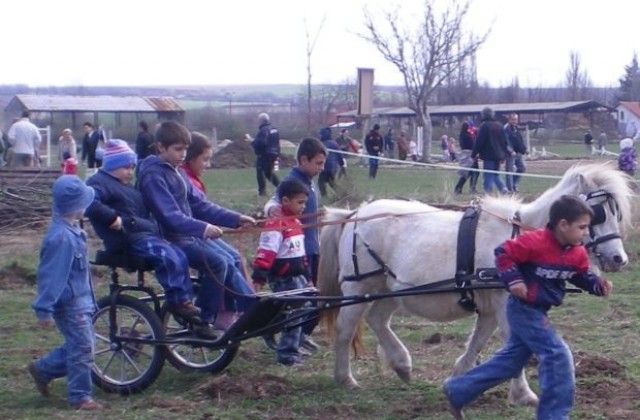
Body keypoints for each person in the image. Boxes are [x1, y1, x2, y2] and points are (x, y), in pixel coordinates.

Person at [443, 195, 613, 420]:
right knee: (557, 355)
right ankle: (553, 415)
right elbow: (503, 253)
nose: (586, 233)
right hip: (523, 309)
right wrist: (514, 280)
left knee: (510, 361)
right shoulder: (534, 242)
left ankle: (458, 390)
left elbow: (580, 275)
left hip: (539, 309)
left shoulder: (576, 251)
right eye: (582, 227)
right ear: (563, 225)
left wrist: (597, 285)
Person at [137, 121, 256, 331]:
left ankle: (252, 308)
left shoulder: (177, 171)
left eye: (185, 149)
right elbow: (170, 216)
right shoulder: (153, 175)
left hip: (188, 235)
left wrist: (236, 218)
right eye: (177, 149)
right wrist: (203, 228)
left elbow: (200, 205)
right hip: (169, 239)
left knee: (230, 258)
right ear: (160, 148)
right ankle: (203, 319)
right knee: (218, 262)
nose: (183, 154)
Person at [85, 139, 207, 334]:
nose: (130, 172)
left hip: (143, 235)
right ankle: (179, 302)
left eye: (132, 167)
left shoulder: (127, 186)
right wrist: (111, 218)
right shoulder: (98, 183)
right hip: (126, 239)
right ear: (112, 166)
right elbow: (89, 201)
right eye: (126, 167)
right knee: (167, 256)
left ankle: (183, 300)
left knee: (179, 255)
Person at [28, 175, 103, 410]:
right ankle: (80, 397)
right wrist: (44, 309)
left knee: (80, 346)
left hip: (81, 302)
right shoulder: (61, 239)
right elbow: (52, 276)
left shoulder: (71, 231)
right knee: (83, 348)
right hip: (70, 305)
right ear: (75, 206)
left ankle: (42, 369)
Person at [264, 137, 327, 352]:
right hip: (297, 252)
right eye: (318, 163)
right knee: (310, 298)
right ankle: (283, 333)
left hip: (310, 246)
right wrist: (271, 209)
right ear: (303, 160)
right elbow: (275, 200)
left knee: (316, 297)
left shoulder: (310, 181)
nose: (322, 168)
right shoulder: (292, 181)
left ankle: (301, 334)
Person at [181, 131, 252, 304]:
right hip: (192, 234)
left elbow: (204, 209)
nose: (208, 165)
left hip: (197, 232)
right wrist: (230, 221)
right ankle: (238, 308)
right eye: (205, 160)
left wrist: (236, 219)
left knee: (235, 257)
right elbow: (200, 211)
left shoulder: (190, 179)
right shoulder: (186, 180)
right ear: (190, 159)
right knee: (224, 261)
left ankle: (239, 306)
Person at [252, 178, 311, 366]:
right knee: (295, 313)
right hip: (282, 277)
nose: (303, 207)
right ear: (285, 201)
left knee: (308, 307)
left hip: (297, 276)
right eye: (300, 202)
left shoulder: (295, 222)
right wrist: (259, 278)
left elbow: (301, 253)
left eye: (305, 203)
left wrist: (308, 276)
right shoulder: (276, 225)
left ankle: (273, 330)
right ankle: (287, 355)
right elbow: (266, 253)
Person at [472, 107, 510, 194]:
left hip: (488, 155)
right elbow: (504, 141)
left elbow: (479, 141)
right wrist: (504, 154)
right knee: (495, 174)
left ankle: (487, 193)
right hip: (499, 155)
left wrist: (474, 154)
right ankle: (504, 189)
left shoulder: (484, 126)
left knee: (488, 175)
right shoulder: (500, 125)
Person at [251, 112, 280, 196]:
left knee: (260, 172)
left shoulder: (263, 130)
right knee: (268, 173)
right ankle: (281, 187)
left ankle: (262, 192)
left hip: (264, 154)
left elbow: (261, 143)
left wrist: (252, 142)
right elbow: (277, 142)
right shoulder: (274, 129)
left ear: (261, 121)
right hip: (274, 154)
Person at [317, 127, 345, 197]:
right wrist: (341, 164)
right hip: (333, 167)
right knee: (331, 182)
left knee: (321, 182)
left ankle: (324, 196)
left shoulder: (321, 144)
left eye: (320, 134)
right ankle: (342, 194)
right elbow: (339, 155)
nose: (319, 136)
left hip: (325, 167)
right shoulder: (334, 143)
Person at [503, 113, 527, 193]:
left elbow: (519, 139)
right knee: (509, 171)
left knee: (522, 168)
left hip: (518, 153)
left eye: (516, 119)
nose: (514, 121)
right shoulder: (506, 128)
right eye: (513, 119)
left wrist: (524, 149)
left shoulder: (516, 128)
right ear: (509, 120)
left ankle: (514, 184)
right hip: (510, 153)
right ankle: (510, 189)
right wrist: (511, 150)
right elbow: (505, 141)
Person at [454, 122, 477, 194]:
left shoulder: (462, 135)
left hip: (465, 154)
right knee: (473, 172)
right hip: (469, 154)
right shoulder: (467, 136)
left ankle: (459, 187)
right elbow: (473, 144)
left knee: (470, 172)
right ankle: (467, 188)